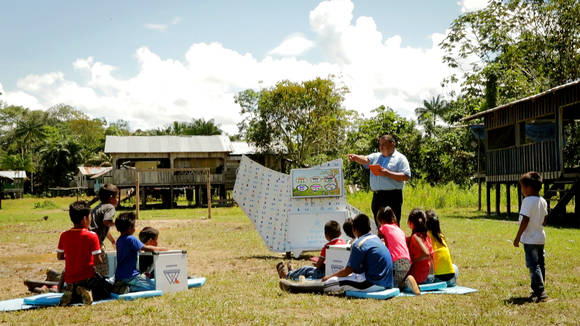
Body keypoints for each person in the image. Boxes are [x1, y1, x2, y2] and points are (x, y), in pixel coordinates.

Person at [279, 214, 393, 294]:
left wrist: (330, 276)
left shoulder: (359, 243)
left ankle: (295, 288)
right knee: (344, 278)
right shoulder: (376, 239)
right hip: (386, 281)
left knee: (332, 282)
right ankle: (303, 281)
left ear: (354, 229)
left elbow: (348, 270)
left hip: (373, 283)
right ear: (369, 227)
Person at [347, 134, 411, 225]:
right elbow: (365, 159)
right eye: (380, 144)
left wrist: (388, 173)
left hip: (393, 196)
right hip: (377, 196)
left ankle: (393, 239)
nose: (381, 147)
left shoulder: (400, 158)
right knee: (379, 225)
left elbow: (406, 176)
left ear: (392, 144)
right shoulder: (376, 156)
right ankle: (381, 239)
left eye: (384, 144)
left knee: (393, 224)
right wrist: (356, 157)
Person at [57, 201, 103, 306]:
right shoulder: (92, 236)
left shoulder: (64, 235)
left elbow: (60, 256)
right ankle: (83, 290)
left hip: (70, 279)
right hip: (87, 278)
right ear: (85, 219)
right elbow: (98, 260)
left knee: (72, 285)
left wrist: (74, 257)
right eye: (90, 217)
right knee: (106, 288)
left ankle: (71, 291)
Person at [513, 171, 548, 303]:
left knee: (533, 266)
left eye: (522, 187)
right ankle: (540, 288)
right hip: (540, 238)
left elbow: (525, 220)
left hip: (530, 239)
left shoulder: (527, 200)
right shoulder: (543, 201)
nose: (522, 190)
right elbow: (544, 221)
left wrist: (517, 237)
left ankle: (539, 291)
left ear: (528, 188)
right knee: (540, 264)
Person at [114, 212, 167, 293]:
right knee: (156, 287)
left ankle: (122, 285)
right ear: (130, 227)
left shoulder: (119, 240)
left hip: (119, 276)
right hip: (132, 276)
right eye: (134, 225)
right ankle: (128, 288)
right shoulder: (131, 239)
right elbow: (148, 248)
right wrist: (164, 249)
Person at [276, 220, 346, 281]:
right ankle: (293, 272)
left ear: (326, 235)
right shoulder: (345, 244)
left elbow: (318, 266)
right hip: (341, 274)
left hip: (325, 275)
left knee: (307, 269)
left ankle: (287, 275)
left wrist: (317, 264)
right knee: (309, 272)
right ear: (340, 233)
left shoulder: (327, 247)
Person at [376, 206, 419, 294]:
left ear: (381, 220)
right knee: (396, 281)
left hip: (396, 261)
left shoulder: (383, 227)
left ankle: (407, 282)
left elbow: (377, 240)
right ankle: (406, 281)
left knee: (389, 286)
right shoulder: (399, 229)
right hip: (407, 261)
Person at [89, 184, 119, 276]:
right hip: (96, 242)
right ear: (111, 198)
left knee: (91, 267)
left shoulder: (97, 208)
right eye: (117, 197)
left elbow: (104, 227)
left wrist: (112, 241)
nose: (118, 199)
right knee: (103, 268)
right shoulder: (110, 207)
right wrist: (119, 224)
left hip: (88, 239)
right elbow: (106, 221)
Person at [426, 210, 458, 287]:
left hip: (439, 280)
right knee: (454, 267)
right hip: (451, 280)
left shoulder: (426, 236)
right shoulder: (440, 235)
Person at [406, 209, 433, 286]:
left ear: (411, 223)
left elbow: (426, 253)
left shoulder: (416, 237)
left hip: (418, 277)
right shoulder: (426, 236)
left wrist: (413, 261)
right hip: (428, 276)